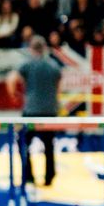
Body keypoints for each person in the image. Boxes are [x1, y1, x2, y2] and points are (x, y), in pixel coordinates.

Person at [7, 36, 64, 189]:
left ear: (31, 49)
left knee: (23, 143)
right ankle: (49, 177)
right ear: (45, 48)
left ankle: (29, 175)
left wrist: (15, 95)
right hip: (50, 111)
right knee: (49, 145)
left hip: (31, 112)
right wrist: (54, 99)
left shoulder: (28, 64)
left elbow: (12, 79)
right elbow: (59, 86)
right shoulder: (53, 66)